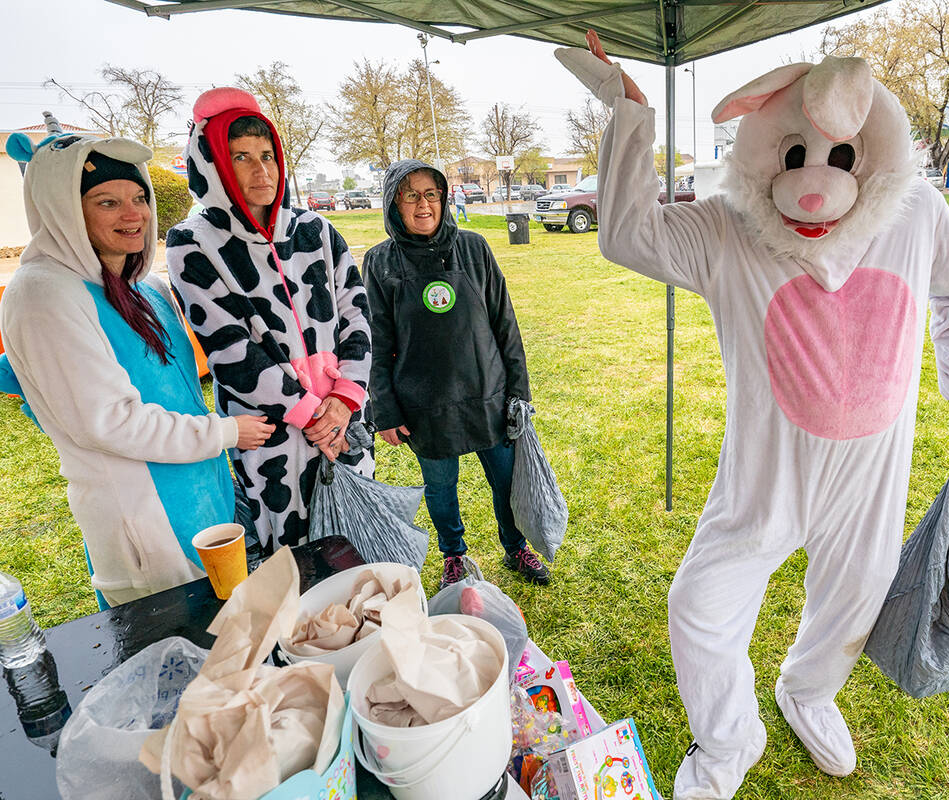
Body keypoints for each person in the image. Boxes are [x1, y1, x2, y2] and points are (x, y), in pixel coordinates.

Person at [558, 33, 949, 795]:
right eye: (795, 155)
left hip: (870, 476)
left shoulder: (913, 215)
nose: (813, 187)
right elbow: (628, 235)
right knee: (700, 608)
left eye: (838, 160)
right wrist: (631, 117)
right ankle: (729, 740)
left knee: (857, 596)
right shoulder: (728, 225)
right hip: (764, 476)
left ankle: (807, 693)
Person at [0, 132, 273, 608]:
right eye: (107, 202)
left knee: (234, 644)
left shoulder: (145, 287)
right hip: (146, 524)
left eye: (139, 197)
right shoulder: (44, 293)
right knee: (178, 660)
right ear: (64, 209)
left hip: (203, 499)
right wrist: (226, 432)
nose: (134, 215)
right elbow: (107, 421)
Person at [168, 88, 373, 551]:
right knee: (292, 559)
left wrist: (344, 400)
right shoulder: (193, 243)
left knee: (357, 546)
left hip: (342, 423)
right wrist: (310, 413)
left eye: (267, 155)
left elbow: (356, 314)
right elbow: (229, 349)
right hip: (272, 436)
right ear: (214, 165)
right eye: (241, 157)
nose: (261, 170)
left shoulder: (314, 230)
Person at [364, 159, 550, 589]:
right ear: (394, 204)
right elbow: (376, 340)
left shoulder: (474, 247)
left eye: (431, 194)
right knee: (440, 488)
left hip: (487, 394)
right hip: (423, 405)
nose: (423, 204)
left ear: (444, 199)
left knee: (505, 481)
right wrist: (386, 411)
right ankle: (454, 555)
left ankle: (515, 545)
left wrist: (518, 392)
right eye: (410, 195)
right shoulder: (380, 262)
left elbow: (505, 322)